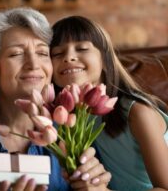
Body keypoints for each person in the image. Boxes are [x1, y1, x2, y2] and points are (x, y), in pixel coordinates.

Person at [0, 8, 110, 191]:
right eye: (16, 54)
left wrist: (98, 188)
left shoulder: (71, 130)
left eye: (42, 53)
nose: (33, 65)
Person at [50, 15, 168, 190]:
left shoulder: (138, 113)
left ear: (105, 60)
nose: (68, 57)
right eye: (57, 53)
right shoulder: (64, 117)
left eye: (82, 48)